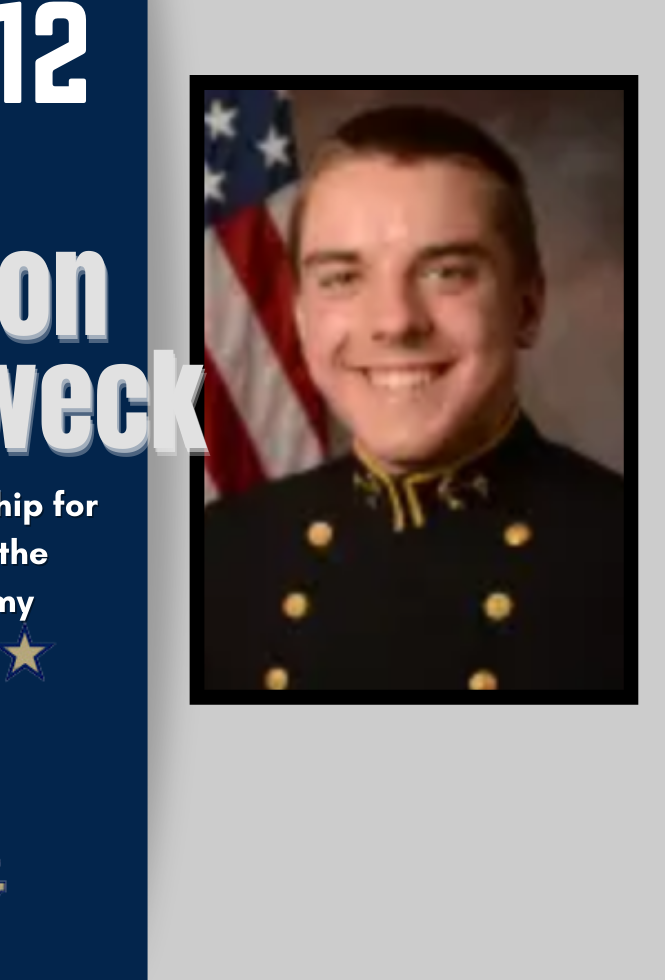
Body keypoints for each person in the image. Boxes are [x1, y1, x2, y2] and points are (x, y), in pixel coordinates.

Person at [204, 104, 626, 692]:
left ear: (527, 307)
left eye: (446, 272)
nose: (395, 322)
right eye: (342, 278)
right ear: (301, 318)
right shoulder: (214, 560)